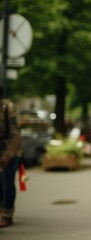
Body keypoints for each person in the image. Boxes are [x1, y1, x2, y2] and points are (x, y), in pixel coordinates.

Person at [0, 86, 21, 228]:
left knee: (7, 183)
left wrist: (7, 155)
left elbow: (15, 133)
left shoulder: (7, 107)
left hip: (10, 150)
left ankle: (7, 214)